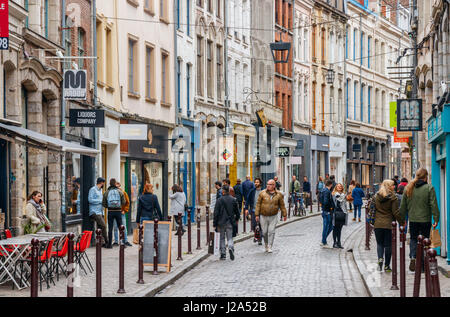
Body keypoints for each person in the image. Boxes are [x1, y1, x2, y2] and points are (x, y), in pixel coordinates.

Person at [400, 168, 439, 272]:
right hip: (425, 220)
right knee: (425, 241)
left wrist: (402, 219)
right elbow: (433, 204)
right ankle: (422, 265)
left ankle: (413, 257)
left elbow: (403, 206)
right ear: (426, 177)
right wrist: (436, 218)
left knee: (413, 239)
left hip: (413, 220)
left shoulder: (408, 188)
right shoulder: (429, 188)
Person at [373, 180, 402, 272]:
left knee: (379, 243)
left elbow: (372, 208)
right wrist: (402, 222)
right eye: (393, 185)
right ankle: (387, 265)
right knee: (388, 245)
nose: (394, 187)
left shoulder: (376, 196)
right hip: (388, 224)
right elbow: (395, 212)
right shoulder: (393, 198)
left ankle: (380, 259)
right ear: (389, 186)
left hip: (377, 224)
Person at [255, 179, 287, 253]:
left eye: (269, 184)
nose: (268, 186)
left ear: (274, 186)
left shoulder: (279, 194)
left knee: (271, 231)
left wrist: (284, 214)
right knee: (264, 232)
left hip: (273, 215)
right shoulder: (262, 193)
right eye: (267, 184)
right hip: (263, 215)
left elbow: (282, 205)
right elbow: (258, 204)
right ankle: (266, 244)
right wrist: (257, 214)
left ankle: (270, 246)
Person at [213, 185, 240, 260]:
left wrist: (214, 223)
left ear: (223, 191)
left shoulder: (219, 200)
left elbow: (216, 213)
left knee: (221, 238)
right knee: (229, 237)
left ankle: (223, 254)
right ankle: (230, 247)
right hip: (230, 221)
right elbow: (237, 212)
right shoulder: (233, 199)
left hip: (220, 222)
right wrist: (237, 219)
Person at [103, 178, 126, 249]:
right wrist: (119, 206)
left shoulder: (106, 192)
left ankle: (109, 244)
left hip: (110, 211)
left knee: (110, 228)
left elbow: (103, 203)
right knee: (121, 227)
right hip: (118, 211)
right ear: (115, 183)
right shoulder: (119, 191)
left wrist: (108, 207)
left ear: (109, 183)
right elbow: (124, 202)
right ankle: (122, 243)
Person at [88, 177, 108, 247]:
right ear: (101, 183)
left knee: (99, 228)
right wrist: (100, 201)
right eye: (103, 183)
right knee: (104, 226)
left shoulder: (100, 190)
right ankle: (107, 241)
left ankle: (100, 243)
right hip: (94, 212)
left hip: (100, 212)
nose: (103, 184)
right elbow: (90, 200)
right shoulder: (93, 189)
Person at [112, 182, 132, 247]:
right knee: (115, 227)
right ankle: (116, 241)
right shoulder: (112, 194)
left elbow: (128, 203)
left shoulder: (123, 193)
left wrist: (125, 210)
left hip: (121, 213)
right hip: (115, 212)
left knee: (124, 227)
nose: (117, 188)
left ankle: (125, 241)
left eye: (118, 187)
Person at [245, 177, 263, 244]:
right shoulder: (252, 191)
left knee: (261, 225)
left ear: (260, 183)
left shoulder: (264, 191)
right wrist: (246, 209)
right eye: (255, 182)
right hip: (253, 210)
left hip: (262, 211)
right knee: (253, 225)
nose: (256, 183)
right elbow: (247, 201)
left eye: (257, 182)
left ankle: (259, 239)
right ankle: (257, 235)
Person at [319, 180, 335, 248]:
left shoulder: (322, 190)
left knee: (328, 226)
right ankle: (324, 242)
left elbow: (320, 200)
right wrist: (330, 208)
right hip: (327, 211)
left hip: (325, 211)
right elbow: (326, 201)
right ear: (331, 185)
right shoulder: (327, 191)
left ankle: (323, 240)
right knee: (328, 226)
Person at [332, 183, 347, 249]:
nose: (340, 187)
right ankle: (334, 242)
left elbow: (345, 204)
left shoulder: (343, 194)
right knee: (335, 228)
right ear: (336, 187)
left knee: (340, 229)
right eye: (338, 186)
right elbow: (338, 201)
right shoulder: (334, 194)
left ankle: (339, 242)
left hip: (342, 212)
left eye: (340, 186)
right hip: (336, 212)